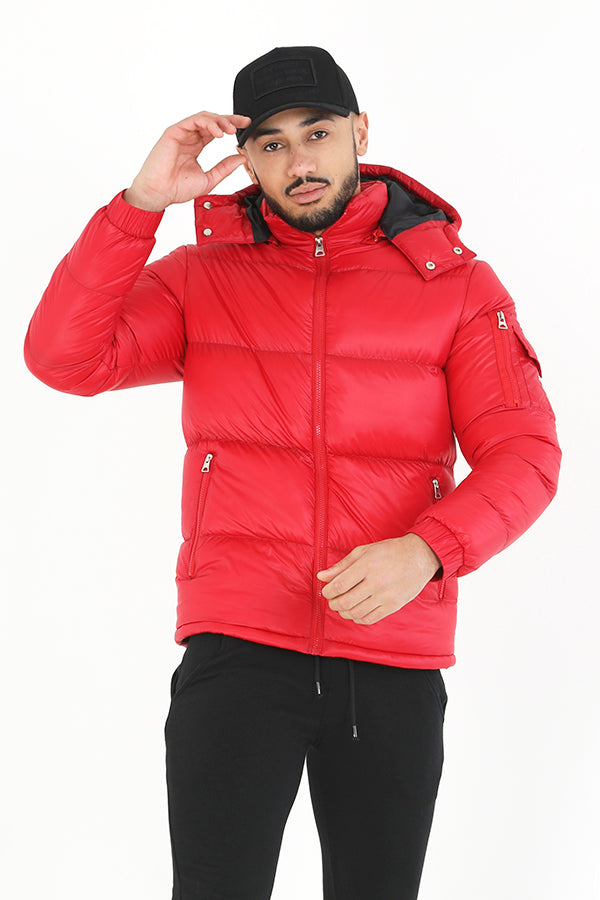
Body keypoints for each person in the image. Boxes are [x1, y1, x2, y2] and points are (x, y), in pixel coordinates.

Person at [24, 46, 561, 900]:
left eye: (317, 133)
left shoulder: (458, 287)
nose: (299, 161)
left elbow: (526, 453)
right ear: (246, 160)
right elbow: (64, 358)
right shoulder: (201, 278)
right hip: (237, 649)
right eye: (271, 144)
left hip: (390, 656)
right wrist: (141, 205)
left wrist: (427, 550)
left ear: (360, 133)